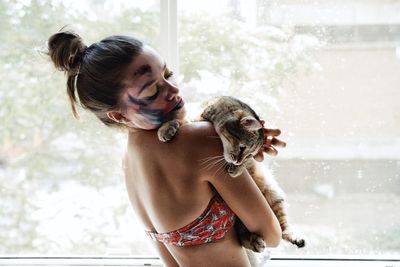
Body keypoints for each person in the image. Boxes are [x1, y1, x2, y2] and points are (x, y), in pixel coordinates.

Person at [47, 30, 285, 266]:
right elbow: (271, 236)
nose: (173, 90)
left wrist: (241, 135)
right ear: (118, 116)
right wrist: (245, 155)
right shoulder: (199, 141)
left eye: (167, 74)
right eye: (151, 91)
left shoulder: (131, 160)